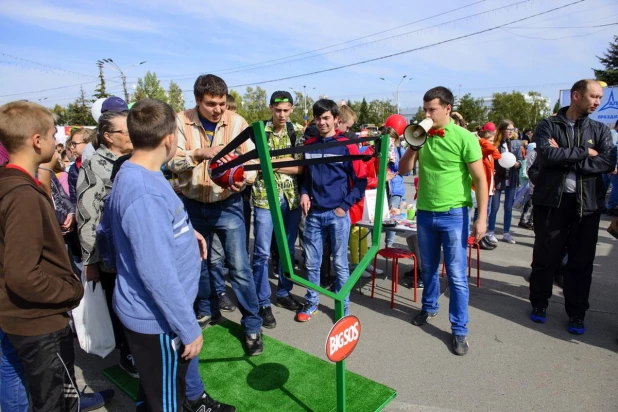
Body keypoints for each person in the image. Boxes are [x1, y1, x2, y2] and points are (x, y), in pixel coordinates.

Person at [107, 98, 235, 411]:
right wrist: (188, 328)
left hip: (160, 312)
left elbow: (142, 230)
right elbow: (156, 273)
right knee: (166, 402)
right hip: (157, 317)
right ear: (168, 139)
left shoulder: (141, 173)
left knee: (157, 391)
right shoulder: (143, 191)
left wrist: (186, 234)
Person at [0, 101, 97, 411]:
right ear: (36, 141)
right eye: (54, 134)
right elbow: (22, 274)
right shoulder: (24, 196)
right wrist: (70, 290)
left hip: (19, 317)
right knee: (55, 400)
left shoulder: (11, 184)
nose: (58, 142)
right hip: (39, 322)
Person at [168, 74, 264, 355]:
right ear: (197, 100)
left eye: (222, 103)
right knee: (197, 263)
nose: (219, 109)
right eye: (211, 104)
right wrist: (198, 153)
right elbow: (170, 159)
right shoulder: (179, 121)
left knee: (239, 269)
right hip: (192, 204)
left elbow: (254, 161)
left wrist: (243, 180)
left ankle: (252, 325)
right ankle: (207, 310)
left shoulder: (237, 122)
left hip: (229, 205)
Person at [399, 87, 487, 356]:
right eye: (424, 109)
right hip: (425, 213)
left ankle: (460, 330)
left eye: (431, 110)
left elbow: (480, 179)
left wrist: (481, 218)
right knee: (427, 269)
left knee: (457, 276)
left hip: (454, 214)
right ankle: (429, 307)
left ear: (447, 108)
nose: (426, 114)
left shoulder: (464, 138)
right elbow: (402, 170)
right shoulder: (422, 137)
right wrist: (414, 145)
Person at [528, 79, 616, 334]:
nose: (597, 102)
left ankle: (576, 314)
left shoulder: (600, 129)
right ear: (576, 96)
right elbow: (546, 156)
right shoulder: (549, 124)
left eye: (600, 97)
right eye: (594, 96)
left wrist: (566, 155)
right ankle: (539, 304)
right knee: (545, 259)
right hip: (552, 203)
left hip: (586, 206)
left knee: (581, 263)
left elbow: (607, 163)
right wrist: (585, 153)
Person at [76, 110, 138, 377]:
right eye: (126, 131)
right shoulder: (95, 165)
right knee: (121, 305)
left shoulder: (131, 160)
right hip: (111, 254)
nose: (131, 135)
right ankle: (127, 355)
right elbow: (87, 214)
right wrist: (90, 261)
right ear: (108, 136)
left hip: (133, 249)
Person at [296, 99, 368, 321]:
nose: (322, 122)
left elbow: (361, 181)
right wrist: (304, 193)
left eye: (326, 118)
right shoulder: (310, 144)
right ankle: (312, 302)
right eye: (318, 118)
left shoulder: (347, 145)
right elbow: (306, 177)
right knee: (312, 261)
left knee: (339, 262)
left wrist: (343, 206)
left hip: (337, 215)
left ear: (337, 119)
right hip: (314, 214)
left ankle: (342, 305)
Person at [251, 91, 305, 329]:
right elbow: (252, 163)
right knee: (262, 253)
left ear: (292, 108)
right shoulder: (258, 131)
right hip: (264, 199)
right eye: (277, 110)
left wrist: (271, 164)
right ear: (270, 108)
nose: (281, 115)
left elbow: (301, 168)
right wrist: (285, 165)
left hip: (290, 199)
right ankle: (262, 302)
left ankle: (283, 293)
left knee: (287, 250)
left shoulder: (298, 132)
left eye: (286, 110)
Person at [486, 120, 522, 244]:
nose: (511, 131)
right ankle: (490, 231)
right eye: (509, 129)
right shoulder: (495, 143)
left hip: (511, 178)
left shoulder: (516, 143)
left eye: (513, 129)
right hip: (498, 179)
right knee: (494, 207)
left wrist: (518, 164)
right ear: (502, 130)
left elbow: (520, 159)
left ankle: (506, 233)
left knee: (508, 207)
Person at [67, 127, 96, 206]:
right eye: (71, 144)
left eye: (74, 144)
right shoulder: (73, 169)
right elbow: (73, 197)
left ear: (88, 143)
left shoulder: (99, 163)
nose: (71, 147)